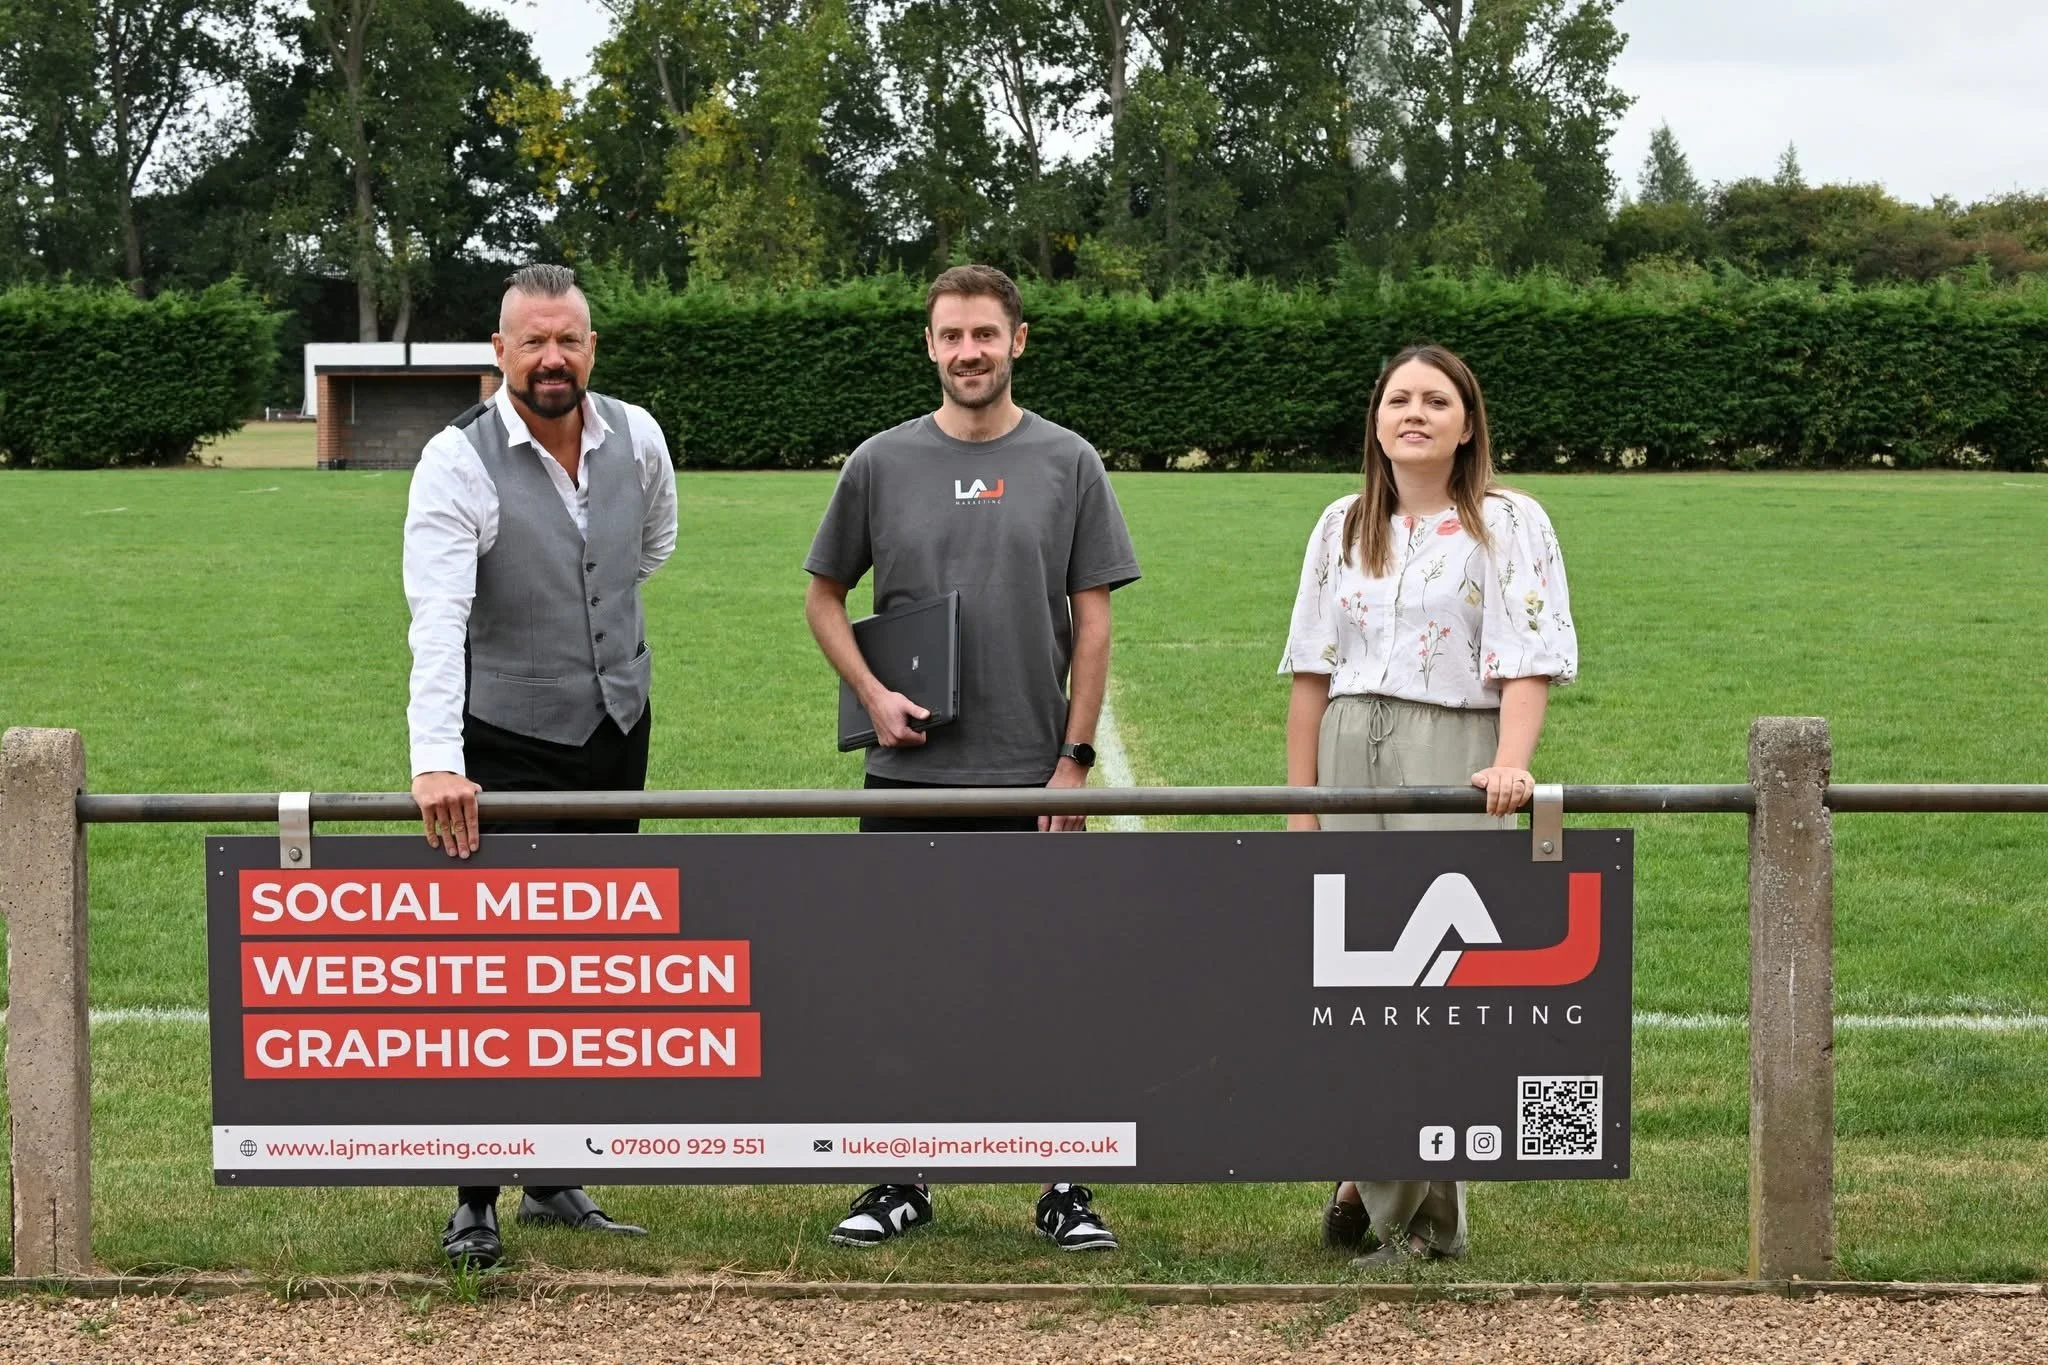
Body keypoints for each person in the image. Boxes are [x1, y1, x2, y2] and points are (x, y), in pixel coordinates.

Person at [802, 264, 1141, 1252]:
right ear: (928, 346)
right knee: (901, 981)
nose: (967, 352)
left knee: (1046, 980)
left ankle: (1063, 1185)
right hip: (904, 780)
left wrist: (1072, 761)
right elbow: (824, 595)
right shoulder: (878, 462)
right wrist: (871, 692)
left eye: (983, 335)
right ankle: (897, 1177)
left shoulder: (1067, 462)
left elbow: (1092, 623)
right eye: (950, 336)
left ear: (1017, 341)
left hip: (1030, 779)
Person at [1278, 342, 1578, 1268]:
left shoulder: (1507, 521)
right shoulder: (1341, 523)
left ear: (1466, 422)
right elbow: (1309, 670)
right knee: (1352, 972)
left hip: (1451, 743)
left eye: (1436, 400)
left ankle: (1415, 1218)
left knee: (1433, 978)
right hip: (1345, 744)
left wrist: (1511, 763)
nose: (1415, 412)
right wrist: (1299, 802)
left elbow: (1526, 658)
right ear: (1376, 419)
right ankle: (1374, 1181)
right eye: (1399, 398)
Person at [403, 263, 679, 1269]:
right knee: (496, 968)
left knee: (591, 958)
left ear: (592, 347)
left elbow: (648, 548)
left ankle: (554, 1175)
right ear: (500, 351)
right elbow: (438, 616)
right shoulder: (455, 462)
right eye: (533, 342)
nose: (552, 358)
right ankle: (475, 1196)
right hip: (505, 742)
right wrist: (437, 760)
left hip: (615, 730)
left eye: (569, 339)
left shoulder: (637, 435)